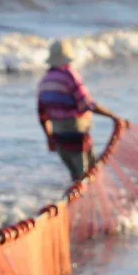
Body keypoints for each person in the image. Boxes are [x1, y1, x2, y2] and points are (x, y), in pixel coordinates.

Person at [37, 39, 122, 182]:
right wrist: (112, 115)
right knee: (88, 176)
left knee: (76, 178)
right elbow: (87, 104)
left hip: (58, 134)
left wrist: (49, 138)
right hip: (77, 132)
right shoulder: (70, 75)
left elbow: (42, 114)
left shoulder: (44, 81)